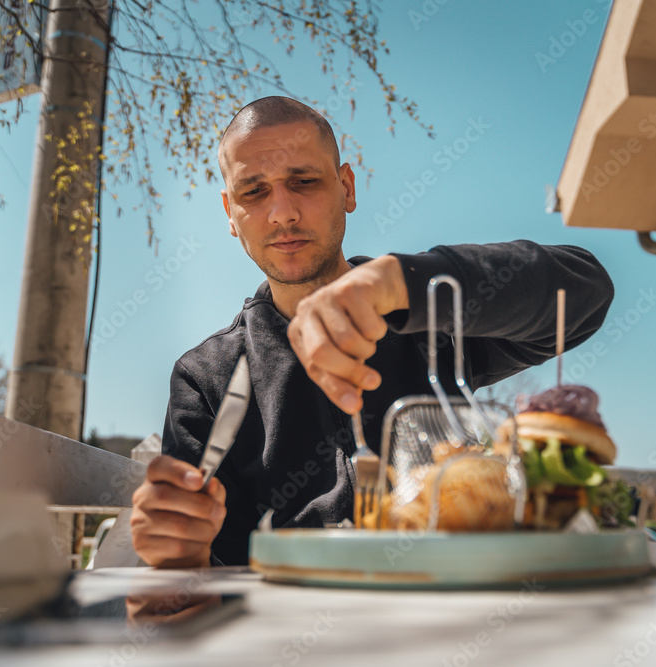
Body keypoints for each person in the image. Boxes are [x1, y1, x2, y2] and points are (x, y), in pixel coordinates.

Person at [130, 96, 614, 567]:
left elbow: (584, 293)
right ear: (229, 214)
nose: (282, 212)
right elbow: (205, 550)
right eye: (253, 192)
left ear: (347, 187)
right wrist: (180, 545)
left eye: (304, 181)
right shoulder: (205, 377)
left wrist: (405, 283)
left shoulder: (427, 315)